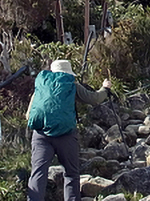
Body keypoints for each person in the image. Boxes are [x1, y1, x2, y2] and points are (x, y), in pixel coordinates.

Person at [27, 60, 112, 201]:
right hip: (65, 136)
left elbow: (29, 115)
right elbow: (94, 99)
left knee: (38, 173)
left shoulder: (42, 85)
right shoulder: (72, 84)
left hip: (41, 135)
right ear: (68, 72)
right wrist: (105, 89)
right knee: (71, 173)